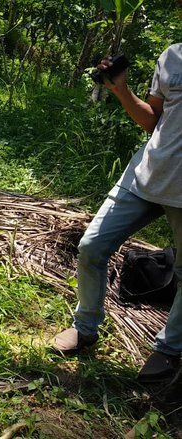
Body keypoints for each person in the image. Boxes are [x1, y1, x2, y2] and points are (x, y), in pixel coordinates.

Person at [52, 44, 182, 384]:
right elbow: (153, 121)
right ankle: (86, 327)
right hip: (145, 177)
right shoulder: (172, 56)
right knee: (92, 246)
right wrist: (120, 89)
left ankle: (167, 350)